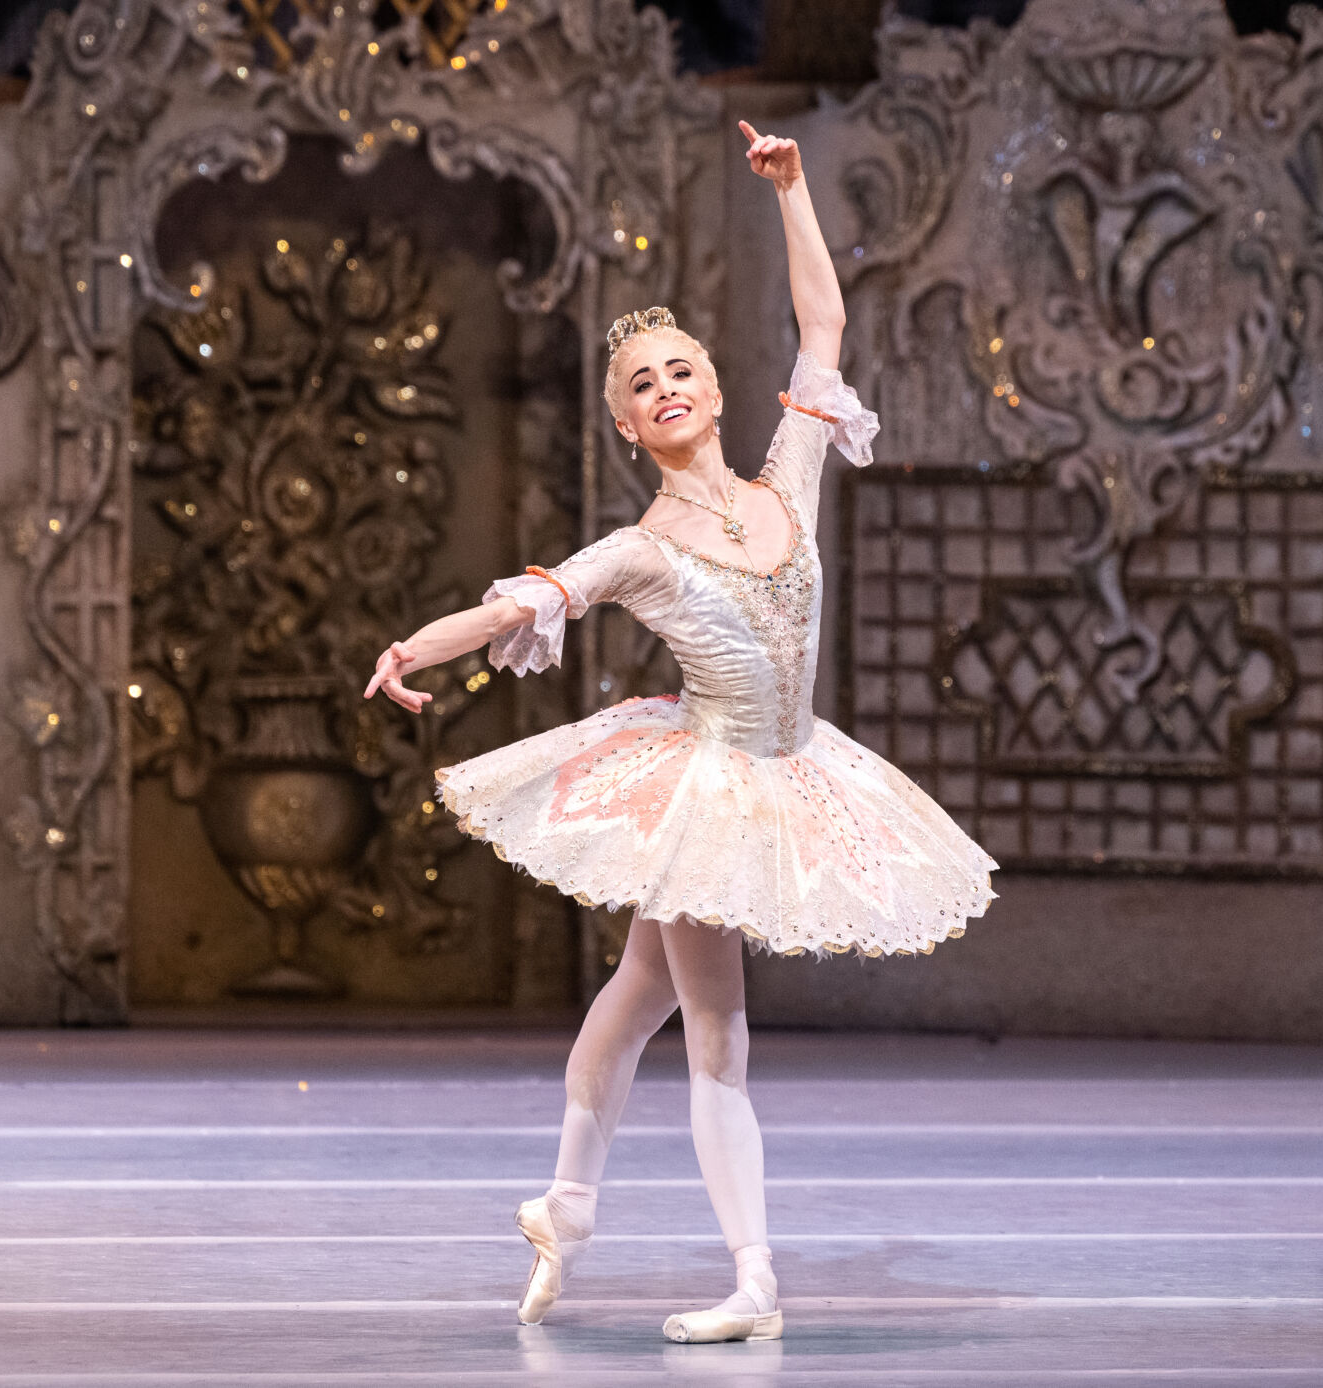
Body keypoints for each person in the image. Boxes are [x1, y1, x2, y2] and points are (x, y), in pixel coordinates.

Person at [364, 121, 997, 1344]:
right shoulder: (639, 548)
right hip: (707, 780)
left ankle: (565, 1200)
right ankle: (754, 1277)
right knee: (717, 1021)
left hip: (793, 762)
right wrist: (408, 648)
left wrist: (793, 193)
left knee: (642, 983)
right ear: (624, 424)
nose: (664, 387)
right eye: (639, 383)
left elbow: (822, 330)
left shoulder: (784, 480)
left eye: (678, 368)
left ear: (712, 383)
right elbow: (513, 604)